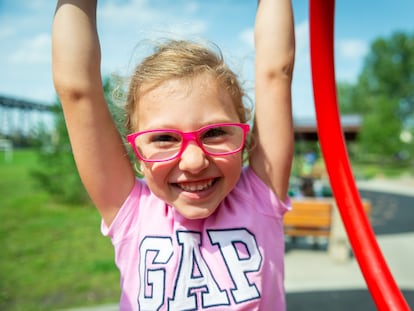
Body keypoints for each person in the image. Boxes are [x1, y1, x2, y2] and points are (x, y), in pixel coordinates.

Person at [52, 0, 295, 309]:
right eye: (165, 138)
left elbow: (276, 73)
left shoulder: (260, 196)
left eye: (215, 132)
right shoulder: (132, 213)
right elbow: (78, 92)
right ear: (138, 154)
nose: (194, 161)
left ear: (244, 138)